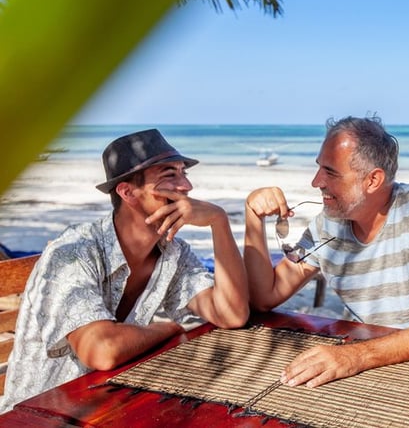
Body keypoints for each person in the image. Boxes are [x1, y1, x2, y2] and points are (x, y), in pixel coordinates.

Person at [0, 129, 249, 413]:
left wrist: (219, 222)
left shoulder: (173, 252)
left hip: (108, 403)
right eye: (170, 175)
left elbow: (232, 314)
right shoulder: (73, 252)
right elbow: (102, 351)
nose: (186, 186)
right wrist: (168, 327)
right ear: (127, 192)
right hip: (39, 414)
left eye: (184, 173)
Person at [244, 116, 409, 389]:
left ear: (373, 180)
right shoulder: (329, 222)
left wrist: (355, 356)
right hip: (370, 363)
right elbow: (264, 297)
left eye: (330, 172)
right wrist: (253, 217)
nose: (315, 181)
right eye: (319, 168)